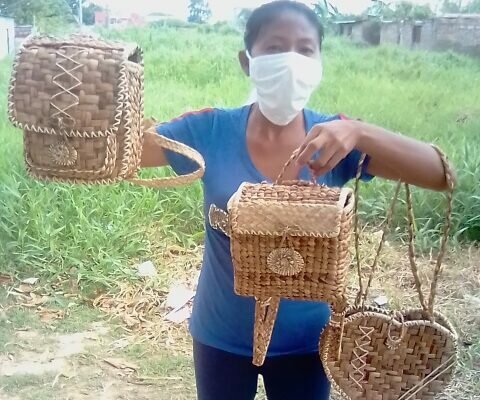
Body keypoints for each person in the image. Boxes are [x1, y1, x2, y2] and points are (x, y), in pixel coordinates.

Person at [141, 2, 449, 399]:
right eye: (274, 48)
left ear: (319, 62)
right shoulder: (208, 129)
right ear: (246, 61)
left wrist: (360, 132)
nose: (290, 60)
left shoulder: (336, 142)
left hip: (309, 342)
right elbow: (122, 152)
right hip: (220, 335)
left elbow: (439, 174)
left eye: (305, 49)